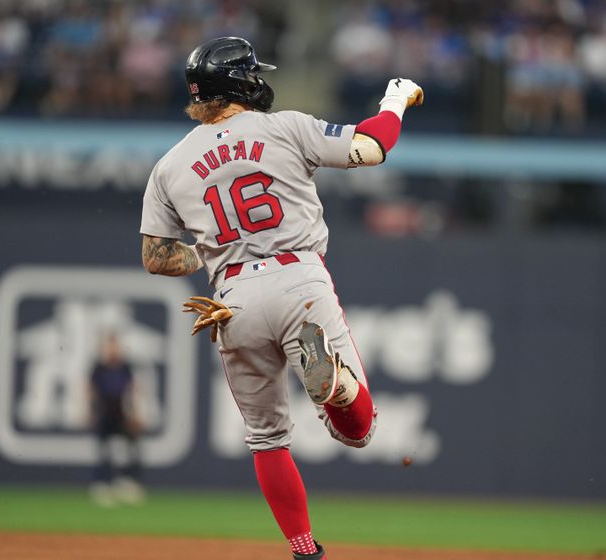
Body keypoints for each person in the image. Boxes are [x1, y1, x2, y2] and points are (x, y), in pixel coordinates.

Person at [139, 36, 422, 559]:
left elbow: (156, 256)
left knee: (267, 439)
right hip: (299, 279)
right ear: (242, 83)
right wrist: (396, 99)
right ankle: (334, 385)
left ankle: (304, 549)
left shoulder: (170, 166)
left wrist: (214, 254)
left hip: (232, 299)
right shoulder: (283, 126)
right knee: (357, 430)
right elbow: (372, 147)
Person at [88, 333, 144, 506]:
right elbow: (90, 389)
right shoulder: (99, 368)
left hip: (122, 413)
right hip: (105, 412)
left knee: (132, 449)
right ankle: (103, 485)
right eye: (109, 345)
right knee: (104, 451)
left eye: (115, 345)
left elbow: (132, 390)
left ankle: (127, 482)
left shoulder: (125, 367)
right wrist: (90, 410)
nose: (113, 349)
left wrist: (134, 413)